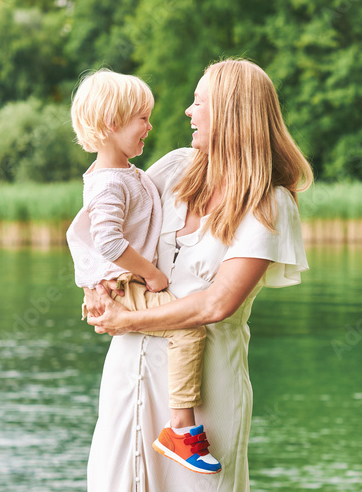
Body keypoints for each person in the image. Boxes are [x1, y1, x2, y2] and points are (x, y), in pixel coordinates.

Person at [84, 59, 313, 491]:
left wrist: (125, 320)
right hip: (127, 376)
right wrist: (94, 283)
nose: (188, 111)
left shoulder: (269, 204)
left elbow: (217, 303)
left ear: (230, 113)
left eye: (198, 101)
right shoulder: (174, 168)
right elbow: (105, 224)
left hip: (203, 398)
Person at [67, 69, 223, 475]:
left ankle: (178, 425)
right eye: (142, 118)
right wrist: (152, 275)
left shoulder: (130, 174)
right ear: (111, 125)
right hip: (126, 283)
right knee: (188, 326)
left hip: (125, 281)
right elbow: (107, 242)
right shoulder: (108, 183)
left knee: (186, 323)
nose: (150, 127)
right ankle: (181, 428)